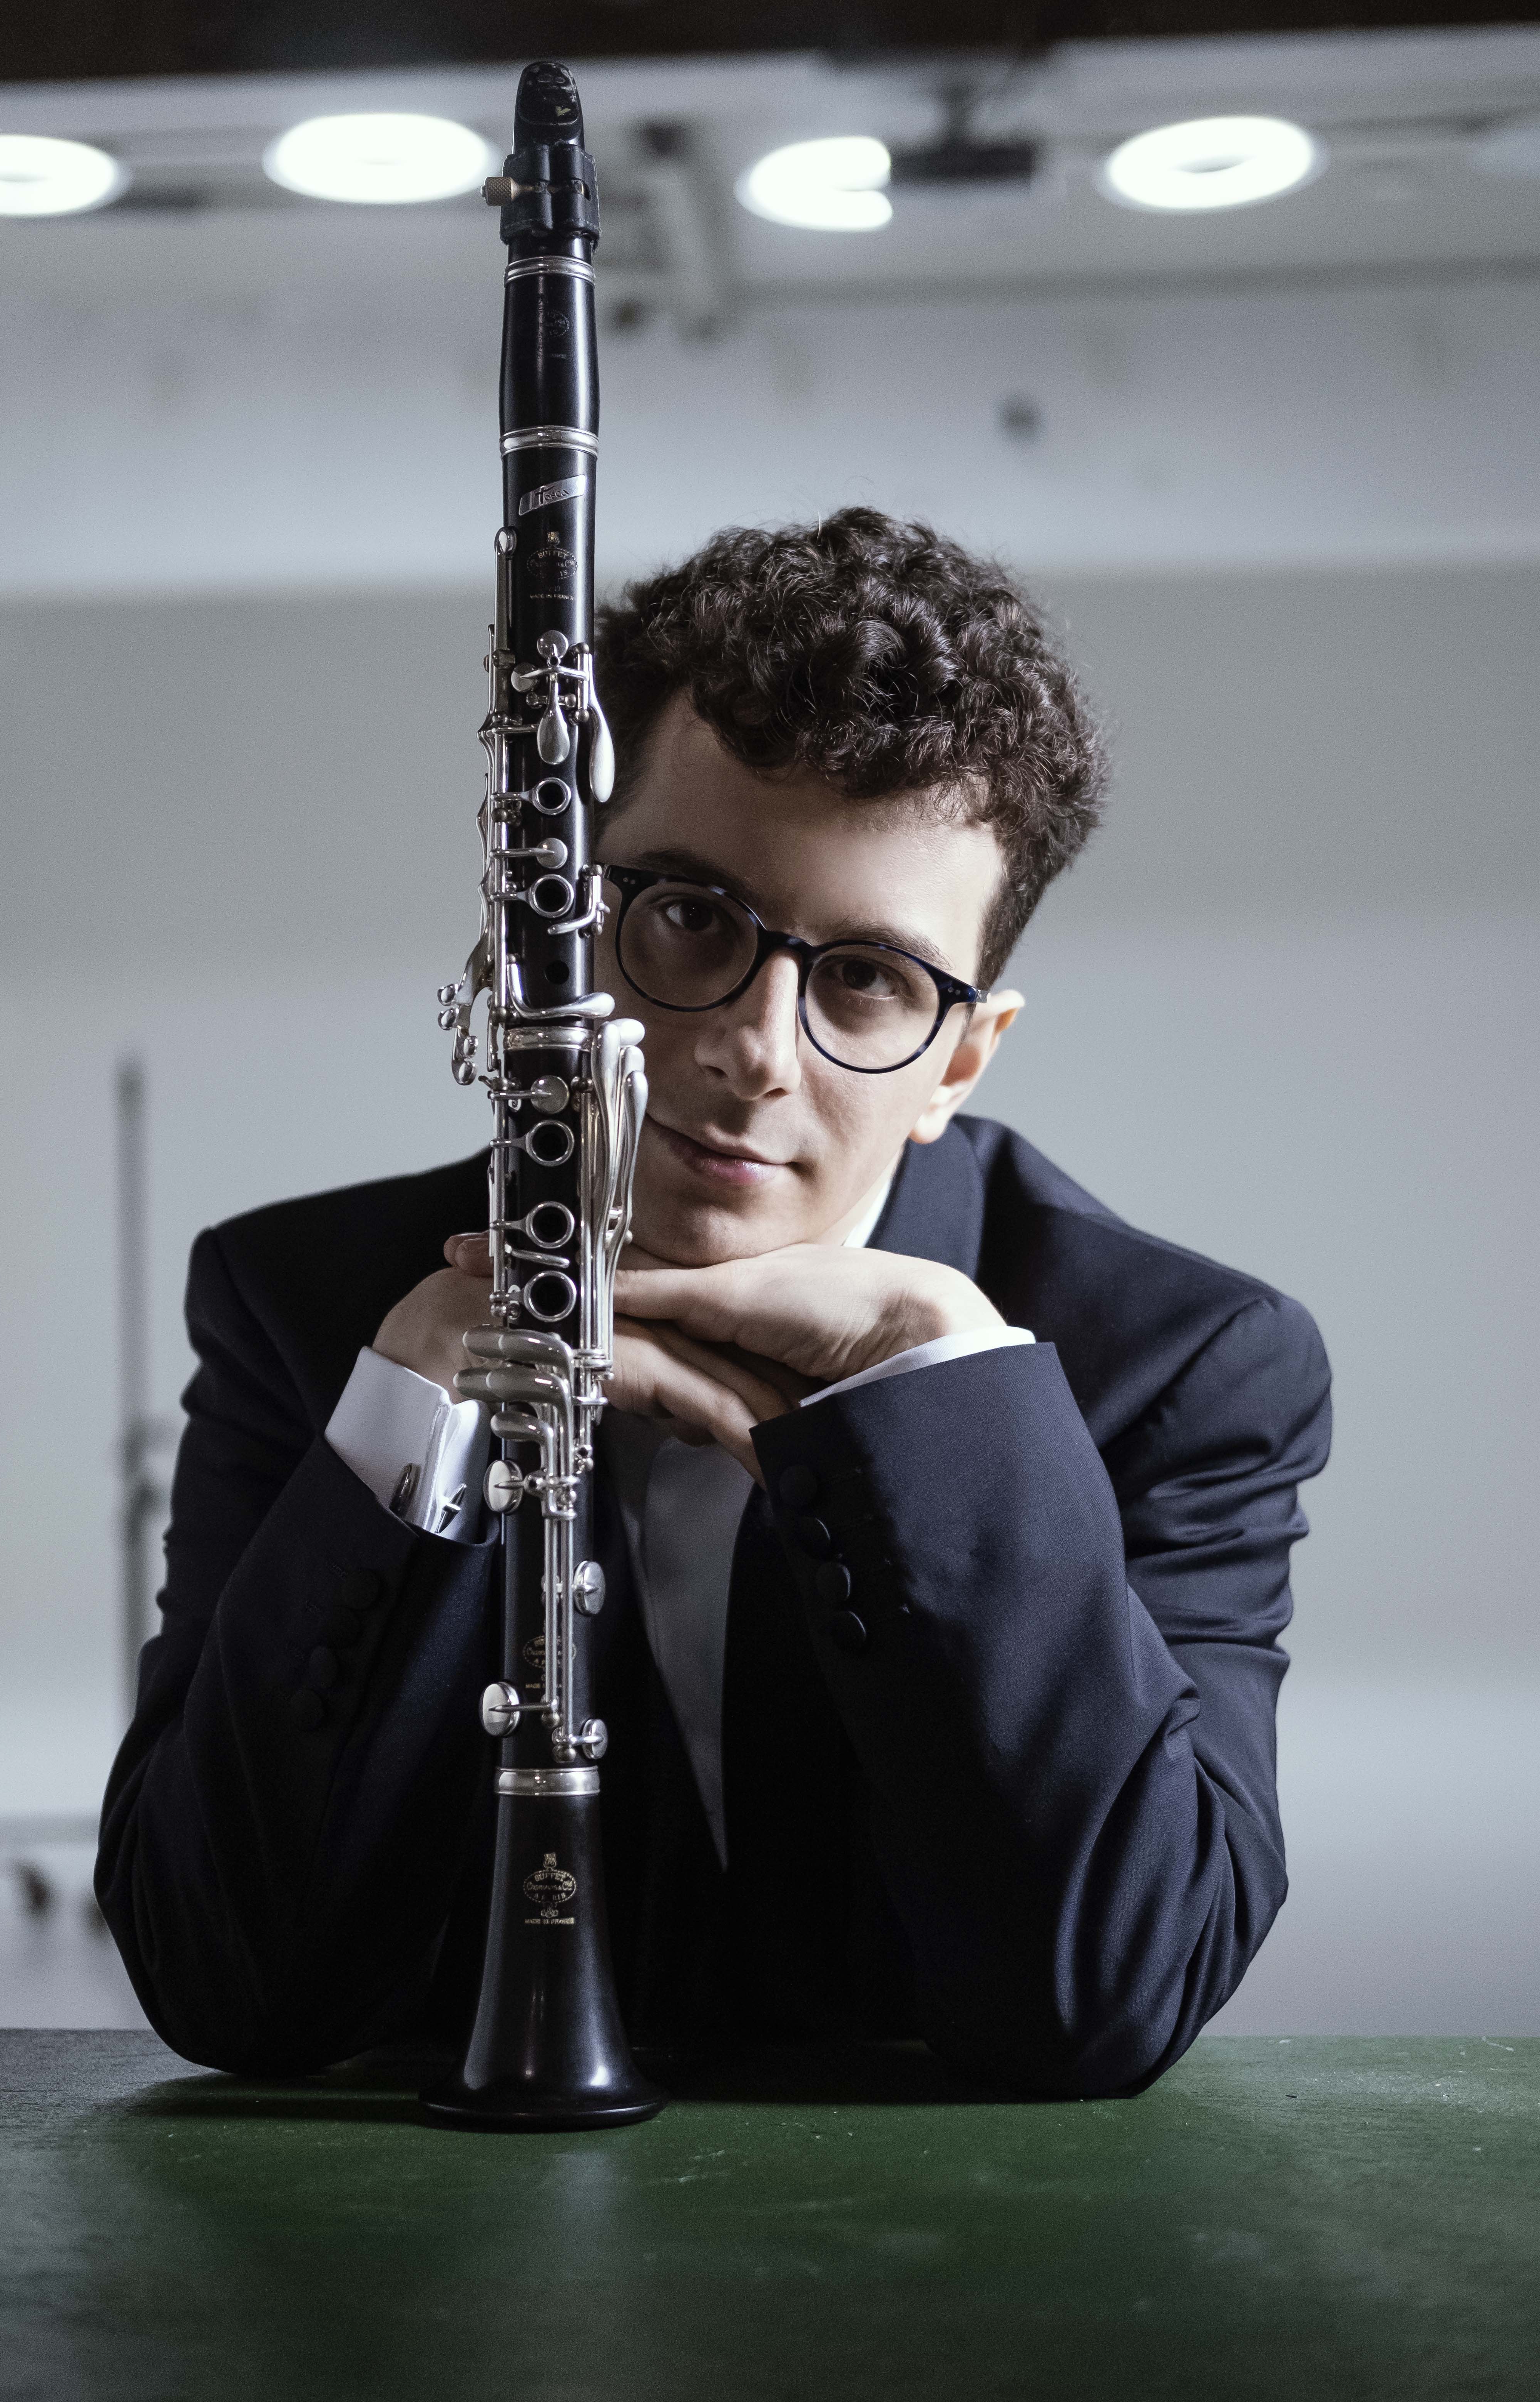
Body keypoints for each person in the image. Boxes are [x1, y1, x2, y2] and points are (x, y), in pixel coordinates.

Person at [96, 509, 1331, 2098]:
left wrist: (933, 1392)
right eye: (687, 914)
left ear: (961, 1061)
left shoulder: (1180, 1368)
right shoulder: (302, 1308)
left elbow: (1117, 1992)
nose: (753, 1050)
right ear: (549, 930)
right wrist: (405, 1428)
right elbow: (223, 1980)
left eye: (867, 979)